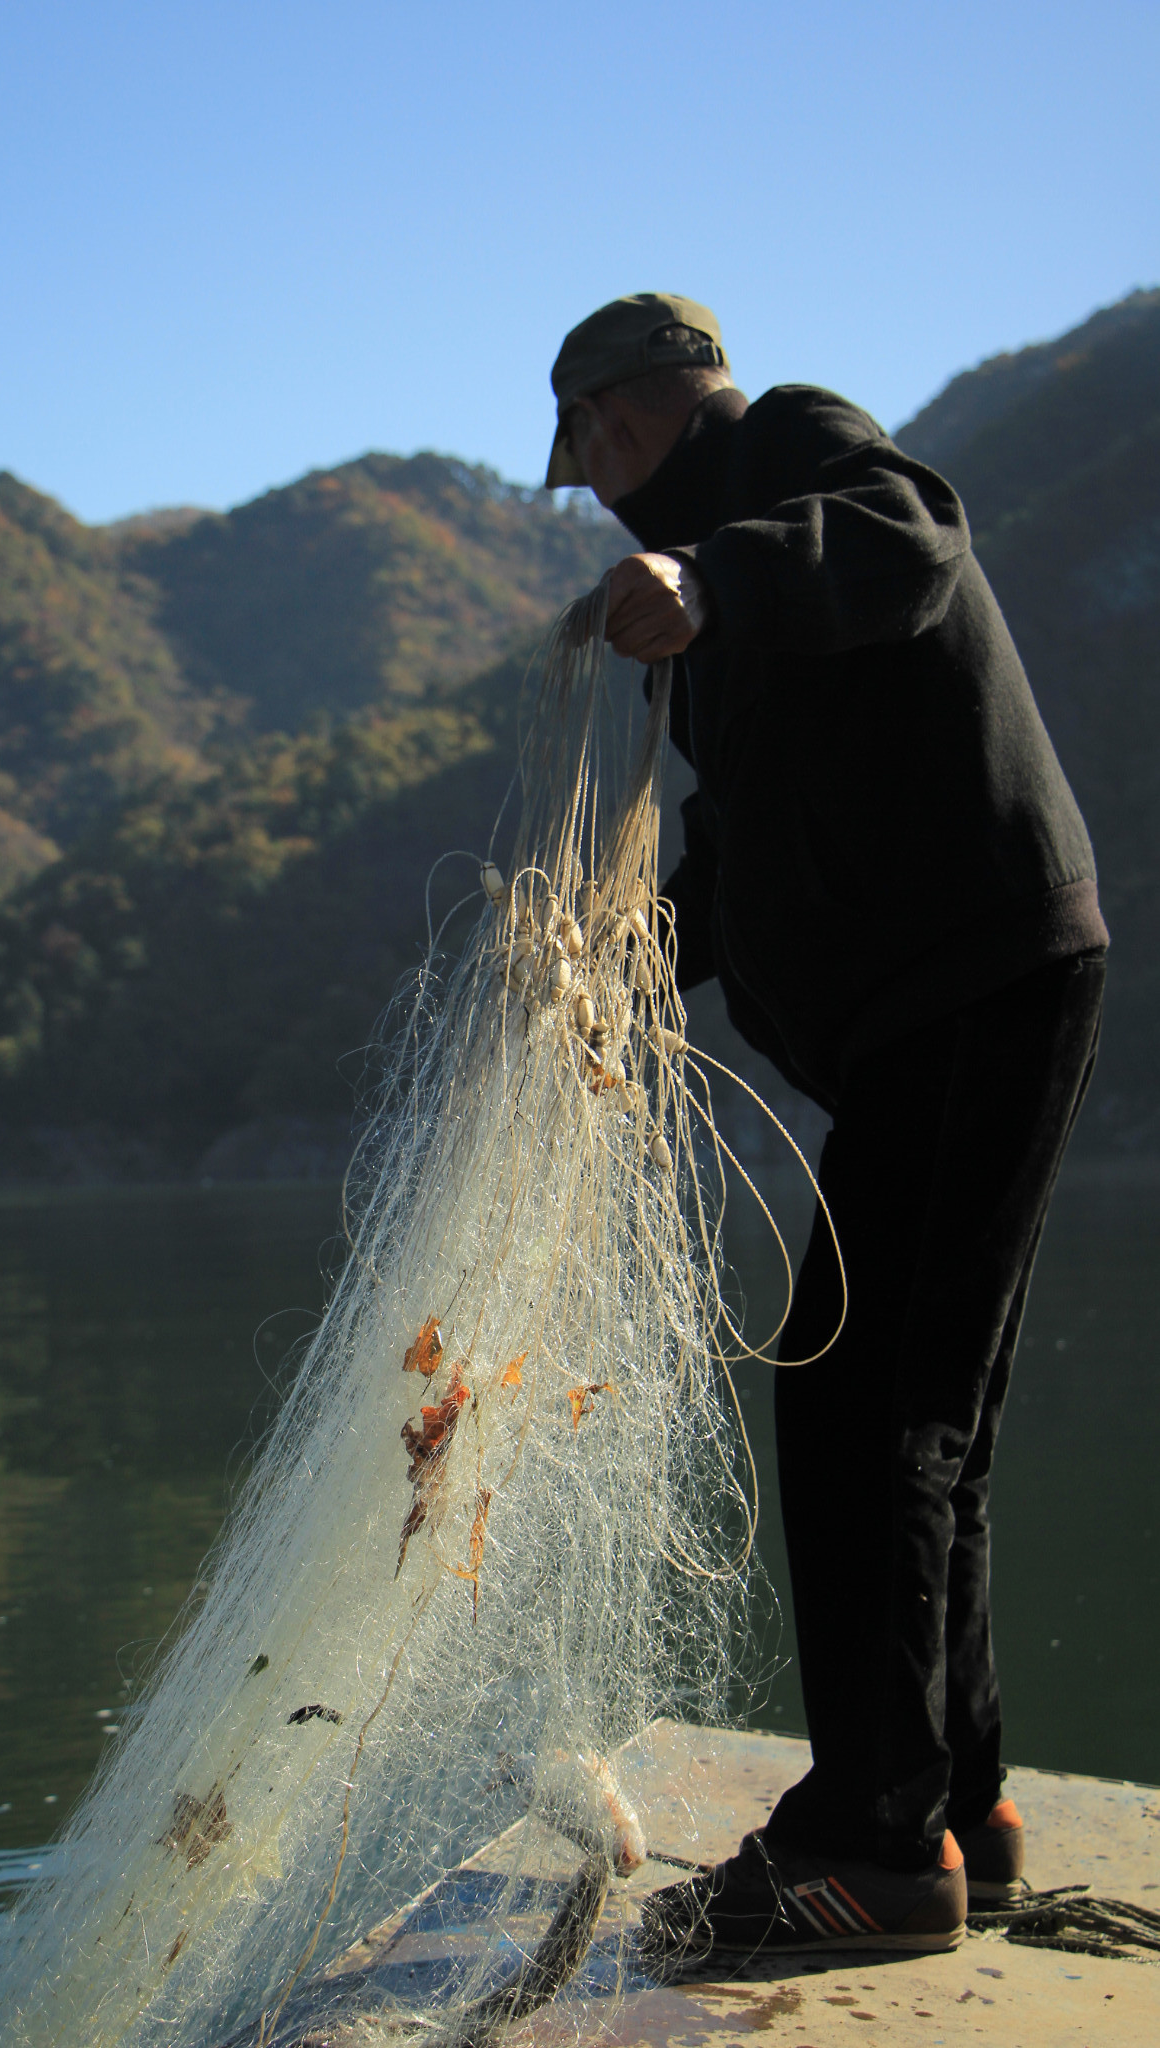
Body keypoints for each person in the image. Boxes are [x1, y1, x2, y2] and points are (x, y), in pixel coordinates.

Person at [544, 293, 1108, 1958]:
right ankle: (956, 1798)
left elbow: (909, 535)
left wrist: (710, 580)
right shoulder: (718, 627)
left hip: (978, 973)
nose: (589, 486)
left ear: (639, 409)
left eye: (595, 448)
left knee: (862, 1397)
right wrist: (608, 973)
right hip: (924, 1012)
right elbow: (736, 859)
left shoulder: (789, 447)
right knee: (920, 1406)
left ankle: (873, 1840)